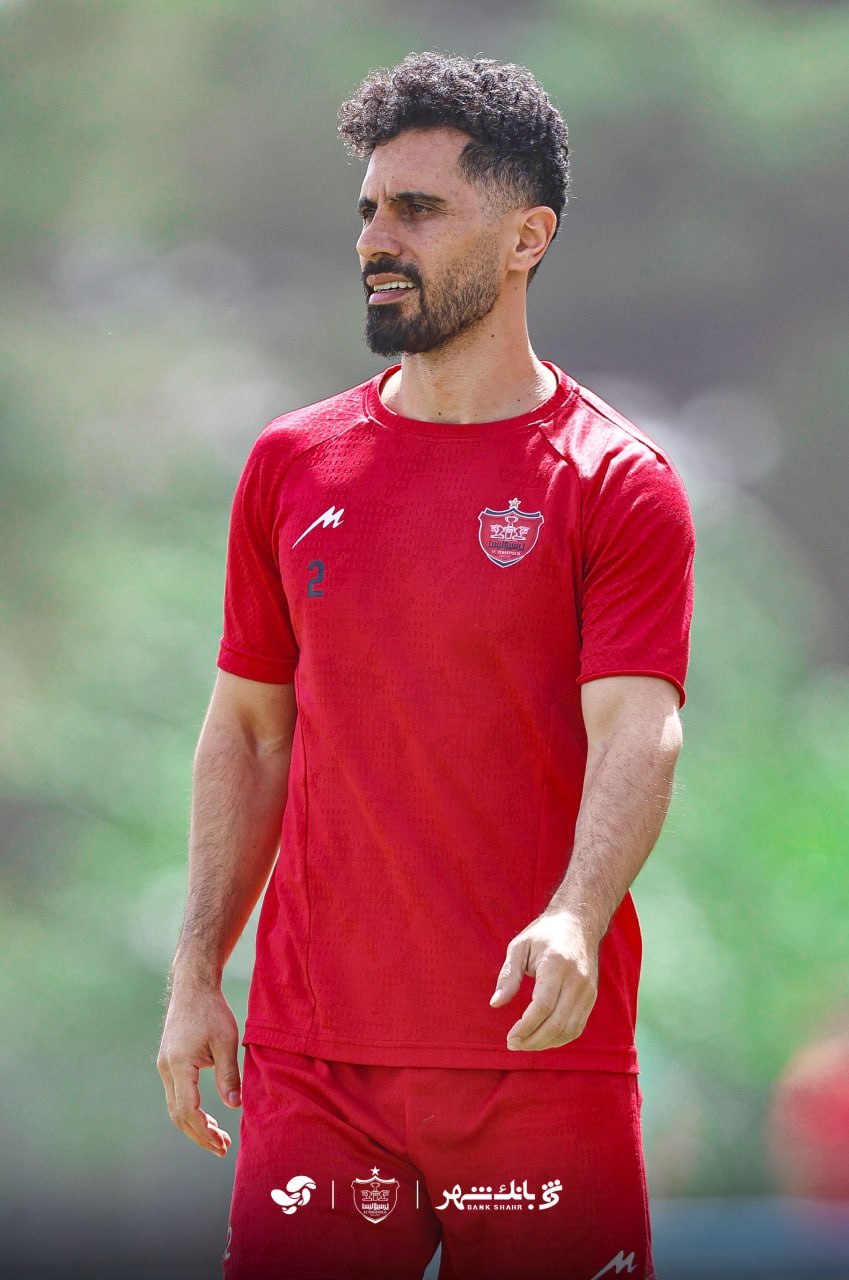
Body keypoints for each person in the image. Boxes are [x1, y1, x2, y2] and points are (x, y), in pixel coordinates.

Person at [157, 51, 695, 1280]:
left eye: (418, 208)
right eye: (368, 209)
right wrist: (197, 974)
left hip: (539, 1059)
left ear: (526, 238)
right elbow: (248, 732)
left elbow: (638, 726)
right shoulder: (291, 464)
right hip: (317, 1068)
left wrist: (577, 913)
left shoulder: (618, 483)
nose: (376, 240)